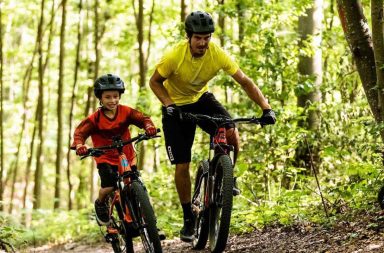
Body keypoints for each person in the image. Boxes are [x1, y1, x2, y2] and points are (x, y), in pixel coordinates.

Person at [149, 11, 276, 242]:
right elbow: (154, 82)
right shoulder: (174, 56)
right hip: (176, 107)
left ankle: (227, 177)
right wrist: (168, 104)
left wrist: (266, 108)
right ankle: (188, 217)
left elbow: (245, 81)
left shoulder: (216, 53)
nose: (203, 42)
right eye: (198, 37)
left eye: (207, 37)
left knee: (230, 130)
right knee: (182, 164)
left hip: (201, 99)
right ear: (189, 37)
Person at [72, 73, 157, 226]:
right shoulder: (95, 119)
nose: (112, 100)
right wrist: (80, 145)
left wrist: (149, 127)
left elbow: (143, 119)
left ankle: (149, 223)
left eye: (115, 96)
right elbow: (80, 133)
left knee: (137, 184)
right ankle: (100, 202)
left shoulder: (126, 111)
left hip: (126, 154)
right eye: (108, 97)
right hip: (105, 157)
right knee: (110, 185)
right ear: (100, 98)